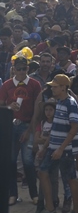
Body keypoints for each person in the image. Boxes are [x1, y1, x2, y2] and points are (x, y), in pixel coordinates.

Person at [1, 55, 41, 206]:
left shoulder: (35, 84)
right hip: (10, 126)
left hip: (27, 125)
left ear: (28, 69)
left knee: (28, 161)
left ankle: (34, 194)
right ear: (14, 69)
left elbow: (38, 109)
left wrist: (31, 130)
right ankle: (13, 194)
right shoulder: (6, 85)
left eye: (24, 69)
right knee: (10, 161)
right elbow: (1, 106)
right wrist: (9, 107)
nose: (22, 72)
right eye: (19, 69)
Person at [38, 73, 78, 213]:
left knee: (70, 179)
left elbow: (74, 128)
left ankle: (76, 209)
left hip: (65, 149)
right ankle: (50, 207)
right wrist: (45, 148)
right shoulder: (60, 102)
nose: (52, 89)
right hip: (55, 147)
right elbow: (55, 128)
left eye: (55, 87)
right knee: (44, 172)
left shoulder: (70, 103)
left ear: (63, 87)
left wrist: (61, 149)